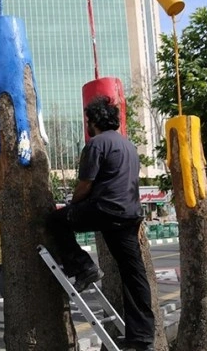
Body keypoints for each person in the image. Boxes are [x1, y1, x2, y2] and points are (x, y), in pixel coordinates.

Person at [45, 96, 154, 351]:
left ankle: (84, 267)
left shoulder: (96, 144)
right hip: (129, 216)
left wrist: (72, 205)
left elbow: (85, 184)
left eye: (87, 120)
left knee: (56, 221)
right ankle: (142, 337)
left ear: (92, 121)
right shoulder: (128, 146)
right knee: (134, 275)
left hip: (105, 210)